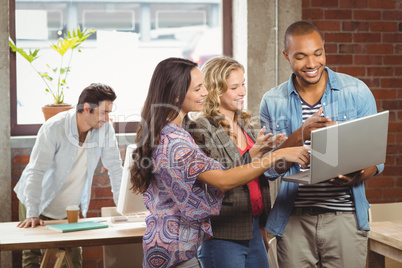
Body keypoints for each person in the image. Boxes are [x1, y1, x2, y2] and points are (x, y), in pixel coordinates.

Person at [130, 57, 309, 268]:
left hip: (182, 246)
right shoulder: (175, 140)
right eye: (198, 88)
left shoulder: (179, 132)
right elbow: (223, 180)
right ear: (176, 95)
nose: (205, 92)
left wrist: (263, 153)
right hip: (174, 250)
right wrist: (276, 156)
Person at [259, 21, 384, 268]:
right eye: (301, 56)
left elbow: (376, 160)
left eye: (318, 53)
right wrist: (300, 135)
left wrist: (355, 175)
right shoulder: (272, 101)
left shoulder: (356, 91)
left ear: (324, 48)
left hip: (345, 219)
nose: (312, 64)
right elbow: (269, 170)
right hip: (293, 220)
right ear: (286, 56)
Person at [185, 56, 286, 268]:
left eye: (243, 84)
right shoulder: (202, 128)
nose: (242, 91)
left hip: (254, 227)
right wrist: (255, 155)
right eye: (234, 87)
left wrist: (270, 149)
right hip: (223, 234)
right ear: (216, 89)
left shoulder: (245, 124)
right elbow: (221, 178)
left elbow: (257, 177)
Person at [14, 83, 123, 268]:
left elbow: (115, 167)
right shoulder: (54, 128)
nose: (107, 118)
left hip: (67, 209)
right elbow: (36, 171)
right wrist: (32, 213)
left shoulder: (105, 129)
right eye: (104, 112)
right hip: (36, 201)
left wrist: (122, 207)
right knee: (31, 260)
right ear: (87, 108)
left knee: (74, 260)